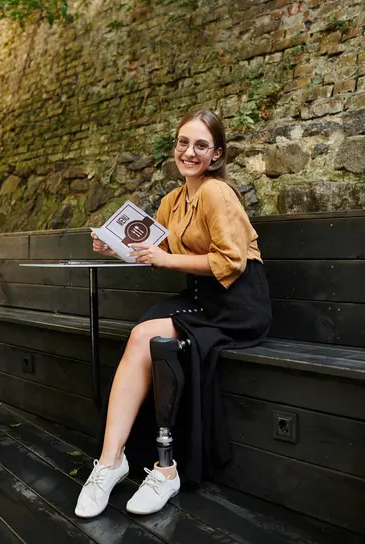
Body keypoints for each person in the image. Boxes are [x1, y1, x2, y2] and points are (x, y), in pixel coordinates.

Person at [74, 109, 272, 519]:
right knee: (140, 334)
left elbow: (232, 263)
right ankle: (111, 463)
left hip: (237, 302)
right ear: (175, 147)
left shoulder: (217, 193)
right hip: (202, 295)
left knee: (149, 334)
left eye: (201, 145)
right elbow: (154, 253)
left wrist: (166, 260)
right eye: (184, 142)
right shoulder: (172, 200)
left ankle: (166, 471)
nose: (190, 151)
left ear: (216, 154)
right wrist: (115, 248)